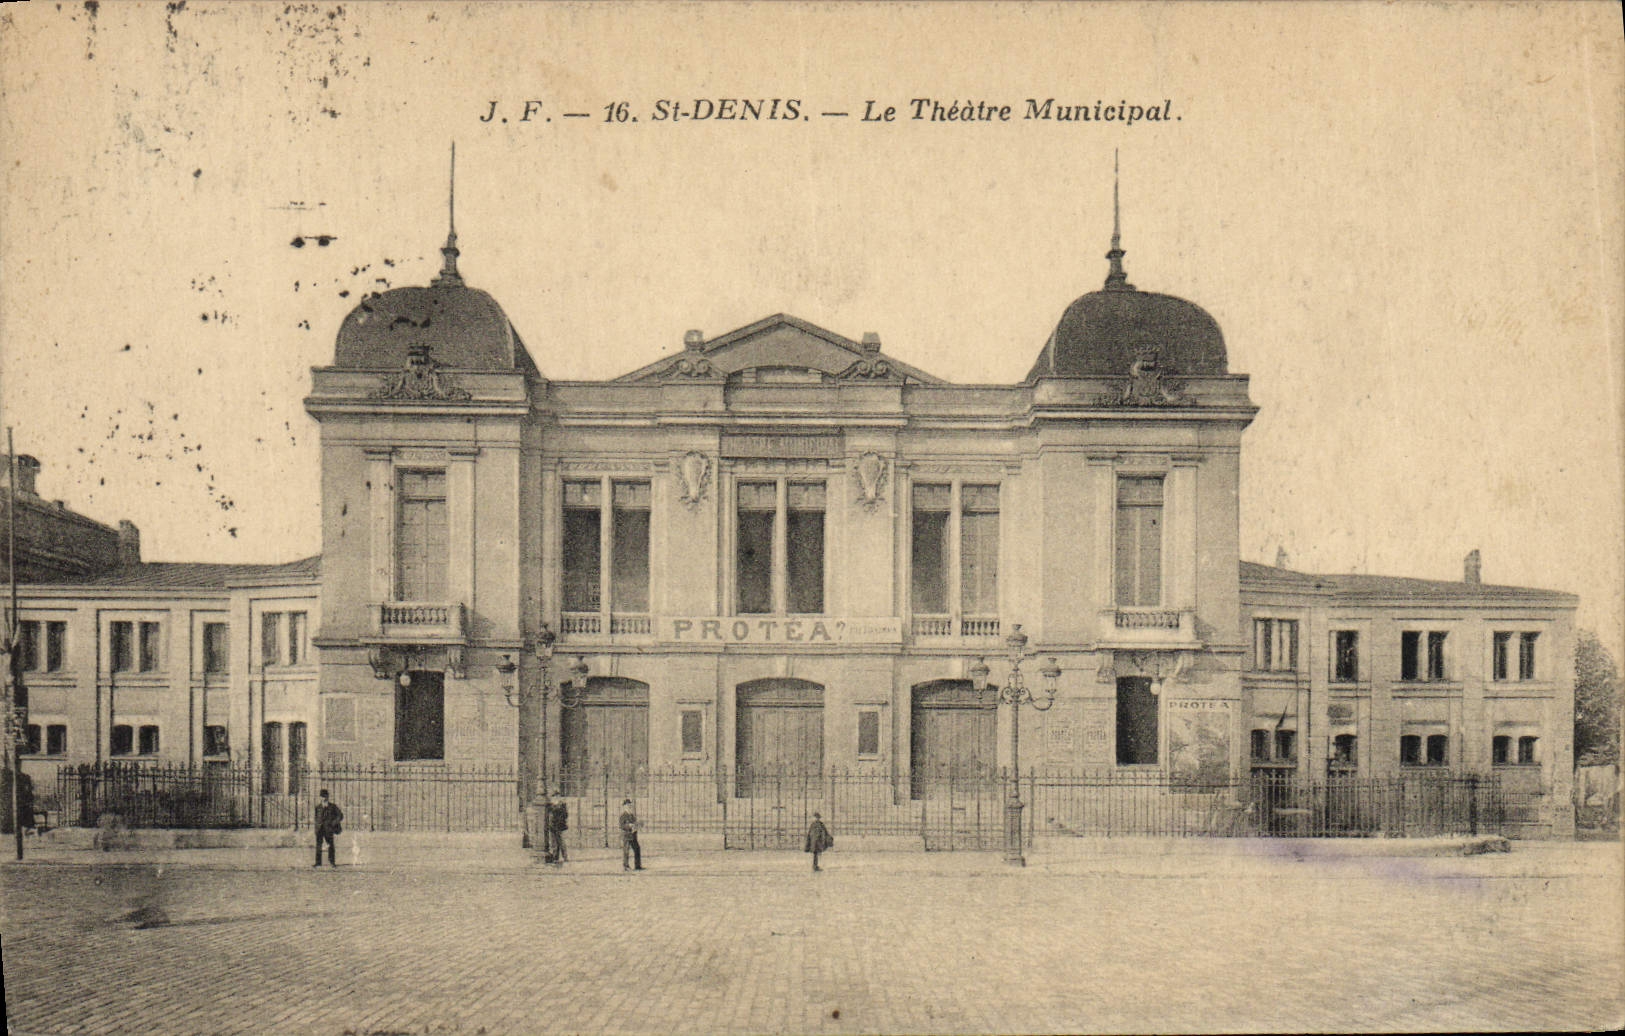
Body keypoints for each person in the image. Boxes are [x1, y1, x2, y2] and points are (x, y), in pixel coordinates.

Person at [314, 789, 343, 867]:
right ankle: (318, 862)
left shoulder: (332, 806)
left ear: (327, 797)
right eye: (322, 796)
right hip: (320, 829)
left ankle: (332, 862)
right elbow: (316, 818)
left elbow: (340, 816)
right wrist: (316, 827)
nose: (323, 798)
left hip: (329, 829)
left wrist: (333, 823)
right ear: (320, 797)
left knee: (330, 845)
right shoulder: (318, 807)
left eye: (325, 796)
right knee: (318, 845)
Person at [619, 798, 644, 871]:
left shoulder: (632, 815)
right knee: (626, 851)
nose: (629, 807)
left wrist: (638, 825)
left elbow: (635, 823)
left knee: (637, 849)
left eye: (630, 805)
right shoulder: (623, 816)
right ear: (624, 807)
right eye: (627, 805)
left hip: (633, 835)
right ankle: (626, 866)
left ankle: (637, 865)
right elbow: (621, 825)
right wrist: (629, 826)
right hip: (626, 835)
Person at [545, 790, 568, 865]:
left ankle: (564, 856)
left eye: (556, 796)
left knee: (561, 841)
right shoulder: (551, 805)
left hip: (559, 825)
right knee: (554, 841)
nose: (555, 797)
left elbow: (565, 814)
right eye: (554, 796)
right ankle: (556, 856)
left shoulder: (561, 804)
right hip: (553, 825)